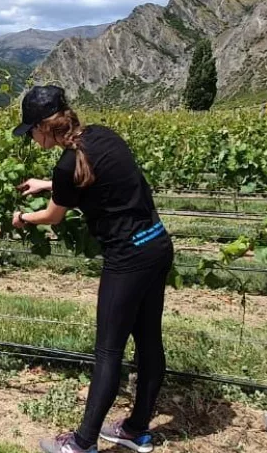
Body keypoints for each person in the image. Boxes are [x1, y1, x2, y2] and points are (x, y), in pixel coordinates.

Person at [11, 86, 171, 453]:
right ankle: (136, 429)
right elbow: (96, 176)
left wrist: (24, 218)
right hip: (157, 245)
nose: (31, 138)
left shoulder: (67, 164)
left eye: (30, 131)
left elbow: (53, 215)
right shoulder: (102, 135)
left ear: (43, 128)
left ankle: (83, 442)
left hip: (127, 258)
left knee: (108, 352)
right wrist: (48, 184)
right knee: (148, 341)